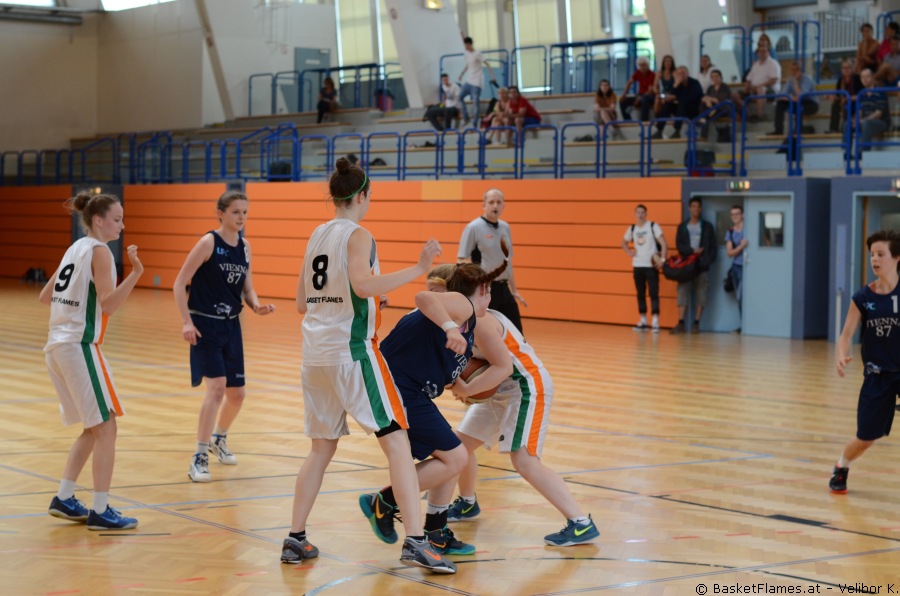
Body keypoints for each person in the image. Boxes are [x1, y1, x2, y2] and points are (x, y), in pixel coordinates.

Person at [282, 157, 455, 573]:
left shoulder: (317, 234)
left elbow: (303, 301)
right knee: (397, 441)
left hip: (314, 354)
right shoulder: (359, 235)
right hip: (352, 352)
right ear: (362, 196)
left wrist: (369, 298)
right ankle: (416, 541)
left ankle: (295, 538)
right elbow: (361, 285)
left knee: (321, 449)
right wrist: (418, 269)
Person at [422, 266, 600, 547]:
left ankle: (580, 523)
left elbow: (502, 369)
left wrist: (468, 389)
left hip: (525, 388)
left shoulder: (481, 322)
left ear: (454, 293)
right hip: (500, 390)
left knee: (525, 461)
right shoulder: (456, 324)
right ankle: (466, 503)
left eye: (438, 293)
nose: (435, 299)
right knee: (457, 448)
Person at [358, 260, 513, 556]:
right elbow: (423, 297)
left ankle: (435, 531)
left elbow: (443, 361)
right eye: (489, 292)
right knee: (456, 457)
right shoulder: (463, 306)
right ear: (482, 290)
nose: (489, 299)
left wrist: (461, 384)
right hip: (395, 389)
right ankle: (385, 502)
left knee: (453, 454)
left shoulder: (467, 321)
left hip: (406, 390)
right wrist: (451, 329)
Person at [42, 191, 144, 530]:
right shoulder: (100, 252)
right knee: (107, 426)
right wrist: (136, 273)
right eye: (117, 219)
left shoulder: (75, 249)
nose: (122, 225)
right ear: (98, 220)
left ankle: (64, 497)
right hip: (79, 345)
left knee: (93, 426)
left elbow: (45, 296)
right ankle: (100, 509)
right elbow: (109, 304)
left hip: (56, 346)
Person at [173, 191, 276, 483]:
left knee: (237, 395)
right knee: (216, 388)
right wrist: (186, 321)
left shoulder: (245, 247)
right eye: (235, 212)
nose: (241, 217)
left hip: (232, 326)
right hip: (205, 325)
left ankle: (219, 439)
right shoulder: (209, 242)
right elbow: (179, 283)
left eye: (245, 212)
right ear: (220, 213)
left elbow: (247, 287)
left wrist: (256, 305)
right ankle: (199, 456)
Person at [830, 229, 900, 494]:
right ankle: (842, 465)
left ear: (897, 257)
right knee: (866, 438)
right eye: (872, 255)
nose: (875, 260)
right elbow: (846, 334)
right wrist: (841, 355)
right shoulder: (863, 298)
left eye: (881, 254)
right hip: (877, 375)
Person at [458, 188, 527, 333]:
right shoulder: (473, 227)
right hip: (485, 288)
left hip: (504, 288)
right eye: (491, 202)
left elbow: (508, 262)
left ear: (503, 206)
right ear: (484, 205)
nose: (495, 205)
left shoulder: (505, 227)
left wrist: (514, 290)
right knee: (487, 333)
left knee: (517, 332)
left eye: (498, 202)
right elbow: (462, 260)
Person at [671, 197, 717, 334]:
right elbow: (679, 245)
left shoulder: (707, 227)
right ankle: (681, 323)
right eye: (693, 206)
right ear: (689, 208)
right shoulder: (682, 226)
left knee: (701, 293)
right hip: (686, 266)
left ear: (701, 209)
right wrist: (692, 251)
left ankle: (696, 323)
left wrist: (706, 261)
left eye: (698, 206)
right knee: (682, 291)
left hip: (701, 265)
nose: (696, 209)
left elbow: (713, 248)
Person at [622, 204, 667, 332]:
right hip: (637, 265)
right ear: (635, 214)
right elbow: (623, 242)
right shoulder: (632, 229)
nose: (640, 215)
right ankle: (643, 321)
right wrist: (629, 252)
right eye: (638, 212)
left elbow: (664, 244)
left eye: (642, 212)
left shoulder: (653, 226)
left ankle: (655, 322)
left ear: (646, 214)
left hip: (651, 266)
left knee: (653, 293)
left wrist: (662, 260)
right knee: (640, 293)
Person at [652, 65, 704, 140]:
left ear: (687, 73)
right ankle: (659, 130)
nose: (681, 75)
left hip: (693, 109)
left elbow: (693, 98)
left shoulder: (695, 83)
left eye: (683, 73)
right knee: (667, 105)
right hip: (681, 110)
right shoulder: (678, 83)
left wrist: (677, 97)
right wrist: (675, 85)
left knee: (682, 103)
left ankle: (677, 131)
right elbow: (671, 94)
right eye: (679, 74)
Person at [770, 62, 818, 137]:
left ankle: (797, 131)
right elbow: (782, 95)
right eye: (792, 70)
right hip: (796, 101)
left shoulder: (807, 79)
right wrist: (791, 98)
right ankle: (778, 130)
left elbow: (801, 96)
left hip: (810, 103)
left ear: (800, 71)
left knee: (799, 107)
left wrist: (795, 83)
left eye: (796, 70)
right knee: (780, 104)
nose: (794, 72)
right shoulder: (790, 80)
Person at [458, 35, 497, 126]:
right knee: (459, 97)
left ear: (469, 44)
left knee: (475, 103)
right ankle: (466, 118)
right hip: (469, 81)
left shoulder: (477, 53)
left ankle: (475, 124)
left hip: (477, 82)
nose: (465, 47)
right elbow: (468, 64)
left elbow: (487, 64)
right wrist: (462, 74)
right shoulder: (467, 53)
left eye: (466, 45)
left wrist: (493, 76)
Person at [742, 46, 782, 122]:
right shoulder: (755, 65)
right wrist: (747, 88)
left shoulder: (773, 63)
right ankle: (748, 115)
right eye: (760, 52)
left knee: (760, 89)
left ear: (768, 53)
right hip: (754, 88)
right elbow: (748, 79)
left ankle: (760, 115)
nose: (762, 53)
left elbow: (773, 80)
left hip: (770, 90)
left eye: (764, 51)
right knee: (736, 95)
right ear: (758, 53)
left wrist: (758, 86)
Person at [724, 205, 747, 332]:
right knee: (740, 297)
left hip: (751, 267)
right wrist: (741, 246)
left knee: (747, 296)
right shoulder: (731, 232)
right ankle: (744, 325)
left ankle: (750, 325)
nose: (735, 216)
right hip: (737, 267)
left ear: (742, 215)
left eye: (737, 213)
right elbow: (729, 253)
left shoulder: (749, 228)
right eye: (732, 214)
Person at [857, 68, 891, 151]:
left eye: (867, 76)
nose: (865, 79)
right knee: (848, 124)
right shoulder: (861, 94)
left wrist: (864, 120)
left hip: (881, 122)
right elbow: (859, 112)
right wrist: (856, 120)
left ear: (872, 78)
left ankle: (864, 152)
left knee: (866, 124)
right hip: (866, 122)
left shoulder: (880, 92)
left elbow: (879, 114)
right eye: (862, 77)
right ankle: (846, 152)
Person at [828, 59, 863, 134]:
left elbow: (862, 94)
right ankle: (833, 129)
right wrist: (834, 97)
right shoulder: (840, 80)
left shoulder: (857, 78)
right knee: (835, 105)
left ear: (852, 68)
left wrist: (849, 98)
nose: (846, 70)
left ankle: (846, 127)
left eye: (848, 67)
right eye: (844, 68)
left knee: (848, 105)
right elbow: (838, 95)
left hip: (855, 103)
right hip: (844, 103)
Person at [699, 69, 734, 141]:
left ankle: (703, 120)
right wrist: (708, 101)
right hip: (712, 108)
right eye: (712, 77)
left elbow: (720, 100)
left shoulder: (725, 87)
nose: (714, 78)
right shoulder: (710, 88)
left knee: (708, 116)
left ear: (720, 77)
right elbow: (705, 98)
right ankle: (704, 118)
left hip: (722, 108)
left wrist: (710, 99)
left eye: (716, 76)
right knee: (702, 104)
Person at [618, 56, 656, 122]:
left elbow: (651, 90)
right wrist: (624, 94)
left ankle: (644, 121)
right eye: (640, 65)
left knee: (644, 100)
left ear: (648, 65)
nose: (642, 67)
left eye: (644, 65)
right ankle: (628, 121)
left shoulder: (652, 75)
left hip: (650, 96)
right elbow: (629, 83)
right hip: (640, 95)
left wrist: (640, 98)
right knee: (623, 101)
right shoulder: (638, 73)